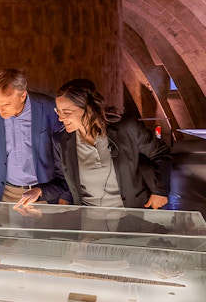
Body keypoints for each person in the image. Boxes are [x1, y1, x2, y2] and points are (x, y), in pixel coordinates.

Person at [16, 78, 172, 209]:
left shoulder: (127, 128)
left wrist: (160, 190)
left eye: (67, 112)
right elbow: (64, 181)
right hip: (90, 218)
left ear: (88, 109)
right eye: (58, 112)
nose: (60, 119)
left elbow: (161, 154)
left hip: (132, 213)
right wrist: (39, 191)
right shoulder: (61, 141)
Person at [0, 68, 67, 203]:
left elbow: (65, 156)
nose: (0, 109)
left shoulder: (49, 108)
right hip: (5, 194)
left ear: (22, 96)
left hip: (43, 193)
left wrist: (66, 195)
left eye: (6, 104)